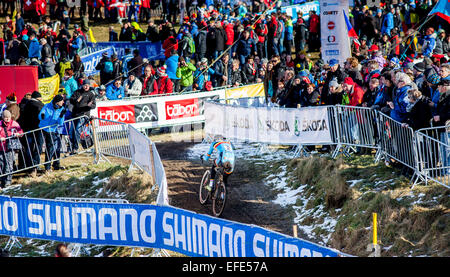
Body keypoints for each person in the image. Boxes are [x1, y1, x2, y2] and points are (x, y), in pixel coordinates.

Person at [38, 94, 66, 172]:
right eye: (62, 101)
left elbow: (60, 123)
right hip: (43, 128)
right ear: (57, 102)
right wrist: (42, 115)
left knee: (50, 148)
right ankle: (35, 166)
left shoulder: (62, 109)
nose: (63, 102)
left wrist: (61, 116)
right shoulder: (47, 106)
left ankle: (47, 166)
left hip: (52, 130)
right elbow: (40, 116)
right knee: (38, 147)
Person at [69, 79, 96, 154]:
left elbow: (94, 105)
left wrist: (89, 106)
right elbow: (71, 100)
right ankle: (72, 146)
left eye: (88, 85)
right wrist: (77, 100)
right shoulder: (77, 92)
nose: (86, 86)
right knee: (71, 132)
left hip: (84, 115)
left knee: (78, 130)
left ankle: (75, 148)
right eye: (85, 85)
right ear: (82, 85)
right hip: (75, 115)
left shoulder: (91, 94)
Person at [0, 110, 23, 188]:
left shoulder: (14, 123)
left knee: (9, 164)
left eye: (9, 117)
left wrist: (18, 134)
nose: (7, 119)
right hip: (1, 147)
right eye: (6, 117)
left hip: (10, 147)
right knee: (2, 164)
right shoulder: (0, 124)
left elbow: (21, 132)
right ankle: (2, 181)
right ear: (3, 117)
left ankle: (8, 182)